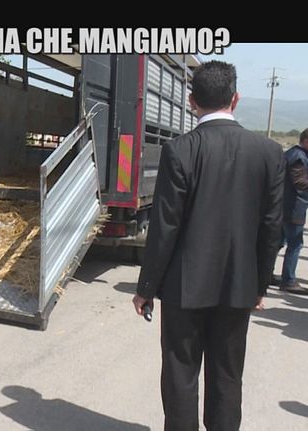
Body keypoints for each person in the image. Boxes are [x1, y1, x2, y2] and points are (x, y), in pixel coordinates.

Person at [132, 61, 284, 430]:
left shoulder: (179, 150)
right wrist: (259, 286)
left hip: (184, 288)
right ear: (235, 98)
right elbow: (271, 228)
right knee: (227, 375)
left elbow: (164, 228)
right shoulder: (268, 153)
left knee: (180, 374)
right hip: (238, 286)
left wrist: (146, 288)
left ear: (191, 101)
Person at [275, 129, 308, 294]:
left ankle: (266, 275)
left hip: (285, 205)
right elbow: (299, 182)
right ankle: (289, 280)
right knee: (295, 244)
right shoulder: (298, 157)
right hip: (293, 207)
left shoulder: (294, 154)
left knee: (278, 242)